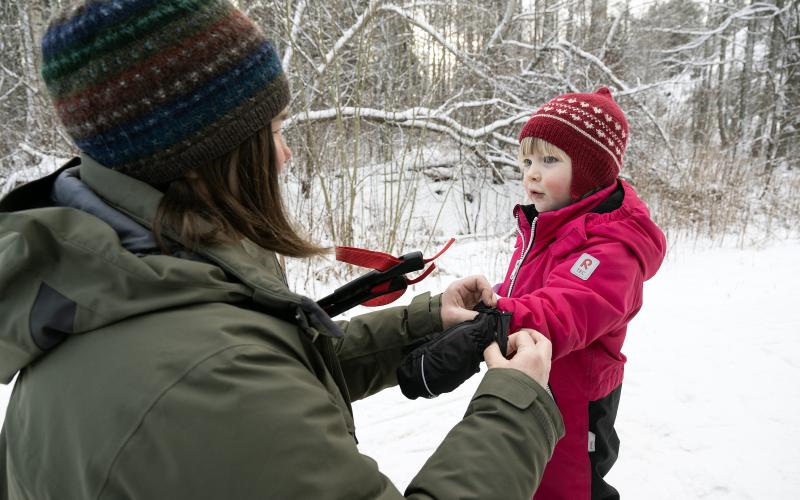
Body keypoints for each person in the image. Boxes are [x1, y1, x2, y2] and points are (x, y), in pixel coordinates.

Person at [0, 1, 564, 499]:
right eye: (272, 131)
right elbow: (235, 383)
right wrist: (513, 405)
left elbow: (266, 372)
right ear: (201, 154)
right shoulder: (200, 379)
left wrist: (423, 322)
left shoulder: (112, 284)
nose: (286, 154)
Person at [492, 88, 667, 499]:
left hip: (578, 403)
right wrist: (495, 295)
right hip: (537, 384)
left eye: (549, 160)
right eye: (527, 160)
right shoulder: (546, 222)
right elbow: (534, 289)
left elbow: (562, 312)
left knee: (571, 487)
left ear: (589, 170)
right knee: (529, 478)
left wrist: (492, 314)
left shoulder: (612, 247)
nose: (531, 173)